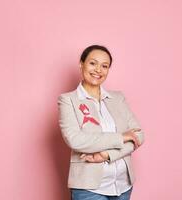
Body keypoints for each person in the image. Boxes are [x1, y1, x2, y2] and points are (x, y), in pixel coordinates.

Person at [57, 44, 145, 200]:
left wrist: (106, 155)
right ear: (81, 64)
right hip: (89, 188)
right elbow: (76, 140)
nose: (98, 69)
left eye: (104, 66)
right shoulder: (68, 100)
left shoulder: (118, 98)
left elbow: (138, 135)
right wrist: (122, 137)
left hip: (123, 185)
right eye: (92, 63)